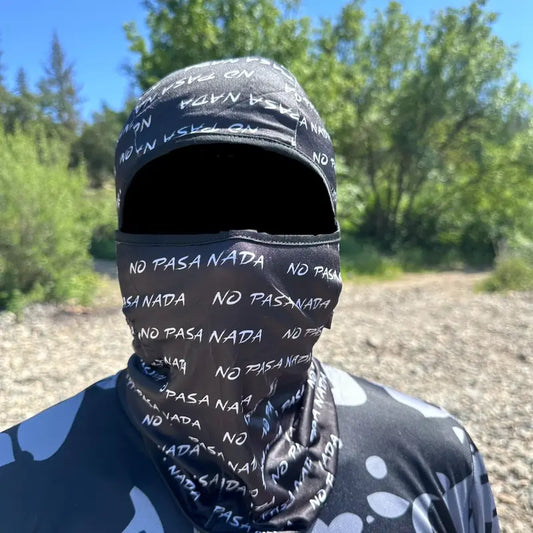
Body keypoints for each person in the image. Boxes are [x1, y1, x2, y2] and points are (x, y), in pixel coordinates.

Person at [0, 56, 500, 533]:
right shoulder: (15, 486)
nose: (239, 258)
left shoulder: (439, 460)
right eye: (179, 212)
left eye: (281, 210)